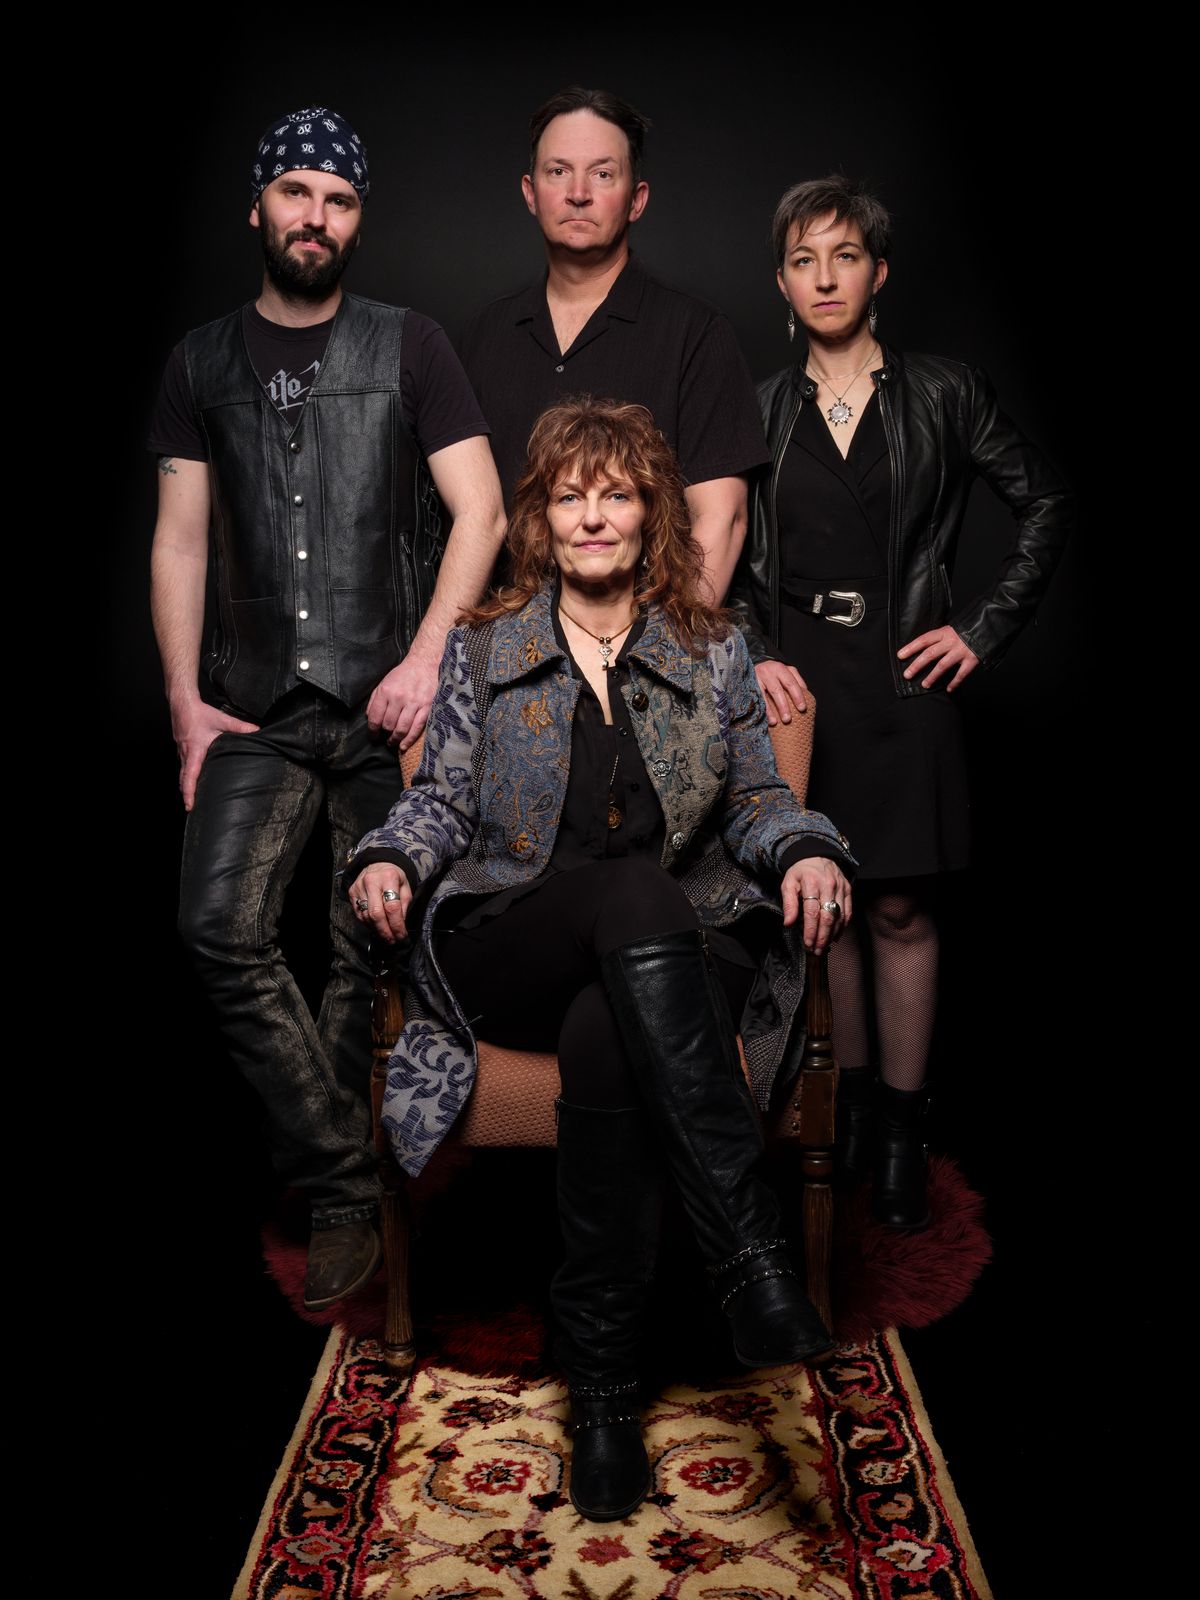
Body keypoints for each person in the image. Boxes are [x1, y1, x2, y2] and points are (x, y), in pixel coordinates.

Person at [344, 397, 855, 1522]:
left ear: (649, 512)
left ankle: (606, 1392)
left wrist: (809, 847)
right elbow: (439, 804)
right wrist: (385, 854)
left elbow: (760, 800)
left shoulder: (713, 647)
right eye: (570, 496)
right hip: (515, 937)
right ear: (540, 517)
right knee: (630, 894)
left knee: (609, 1027)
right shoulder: (486, 647)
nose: (591, 517)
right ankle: (749, 1253)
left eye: (615, 495)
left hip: (676, 951)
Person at [147, 107, 506, 1312]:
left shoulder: (411, 344)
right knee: (218, 928)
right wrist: (185, 703)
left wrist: (426, 658)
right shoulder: (199, 363)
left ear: (358, 222)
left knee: (366, 948)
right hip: (253, 704)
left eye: (338, 199)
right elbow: (181, 539)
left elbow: (483, 512)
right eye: (296, 193)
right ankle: (351, 1177)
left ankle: (348, 1197)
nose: (316, 216)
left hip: (379, 705)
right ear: (257, 208)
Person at [730, 175, 1073, 1229]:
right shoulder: (758, 408)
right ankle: (838, 1115)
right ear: (782, 283)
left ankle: (900, 1133)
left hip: (904, 680)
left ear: (879, 271)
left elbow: (1045, 504)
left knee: (900, 910)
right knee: (820, 911)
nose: (825, 277)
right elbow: (717, 561)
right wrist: (752, 654)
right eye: (803, 260)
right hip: (798, 689)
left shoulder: (946, 391)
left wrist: (980, 629)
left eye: (844, 256)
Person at [458, 85, 769, 602]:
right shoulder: (481, 337)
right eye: (558, 171)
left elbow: (723, 519)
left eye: (602, 174)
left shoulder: (695, 333)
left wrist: (667, 646)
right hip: (502, 640)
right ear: (530, 192)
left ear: (637, 199)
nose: (578, 192)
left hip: (644, 641)